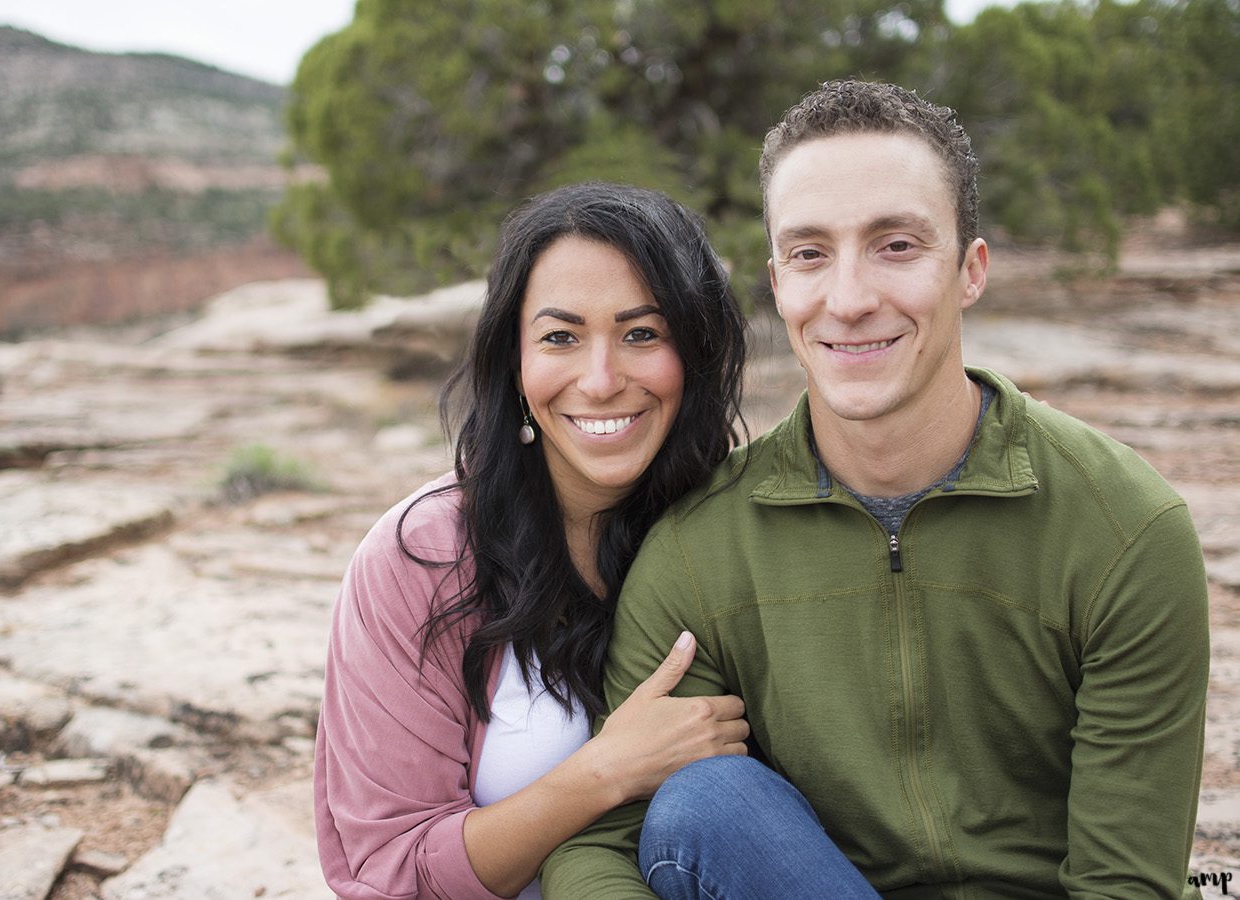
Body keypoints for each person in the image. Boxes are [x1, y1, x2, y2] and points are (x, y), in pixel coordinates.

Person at [541, 81, 1210, 898]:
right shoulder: (696, 549)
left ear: (971, 270)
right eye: (810, 253)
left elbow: (1125, 885)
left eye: (896, 245)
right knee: (708, 803)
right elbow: (596, 851)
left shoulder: (1124, 530)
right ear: (778, 282)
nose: (850, 299)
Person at [313, 181, 753, 899]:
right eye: (560, 337)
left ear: (694, 354)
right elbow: (390, 873)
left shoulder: (733, 528)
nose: (602, 379)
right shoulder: (419, 558)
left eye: (643, 333)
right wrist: (603, 771)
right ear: (514, 364)